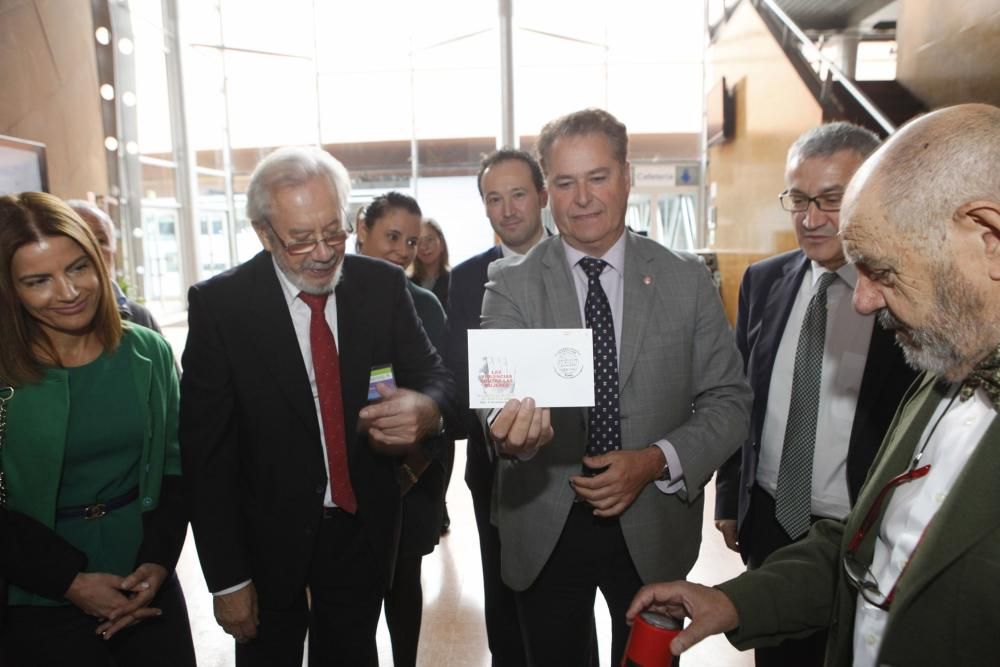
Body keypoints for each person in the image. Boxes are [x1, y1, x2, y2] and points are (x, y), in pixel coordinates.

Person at [627, 103, 1000, 667]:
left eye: (884, 270)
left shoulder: (934, 350)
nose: (865, 299)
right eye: (800, 200)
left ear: (987, 236)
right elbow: (874, 549)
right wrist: (733, 600)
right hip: (778, 530)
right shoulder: (951, 377)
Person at [479, 108, 752, 666]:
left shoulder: (685, 279)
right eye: (564, 183)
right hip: (546, 523)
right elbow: (495, 398)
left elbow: (729, 401)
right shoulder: (511, 284)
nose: (582, 198)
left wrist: (654, 461)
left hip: (654, 521)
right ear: (548, 191)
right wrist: (513, 435)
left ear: (627, 176)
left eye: (597, 177)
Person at [179, 146, 457, 667]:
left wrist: (428, 409)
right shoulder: (223, 307)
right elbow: (206, 458)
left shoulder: (381, 286)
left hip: (360, 527)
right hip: (267, 540)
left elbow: (436, 376)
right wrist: (228, 579)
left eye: (334, 232)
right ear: (264, 234)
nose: (325, 252)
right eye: (301, 239)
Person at [713, 122, 917, 665]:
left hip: (862, 529)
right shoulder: (762, 281)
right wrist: (731, 496)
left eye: (831, 199)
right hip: (771, 521)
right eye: (798, 199)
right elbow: (741, 398)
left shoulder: (905, 296)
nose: (810, 218)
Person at [0, 192, 194, 666]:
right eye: (38, 281)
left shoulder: (147, 351)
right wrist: (69, 582)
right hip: (34, 595)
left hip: (147, 586)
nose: (68, 292)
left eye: (79, 267)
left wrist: (157, 563)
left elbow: (177, 466)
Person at [443, 147, 550, 666]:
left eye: (518, 195)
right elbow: (455, 378)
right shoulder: (464, 280)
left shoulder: (580, 268)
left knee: (564, 609)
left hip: (581, 470)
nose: (507, 209)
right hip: (495, 473)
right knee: (504, 602)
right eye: (494, 198)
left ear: (542, 196)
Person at [355, 191, 450, 667]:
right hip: (347, 474)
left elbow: (443, 388)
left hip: (412, 474)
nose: (402, 250)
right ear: (361, 229)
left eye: (411, 241)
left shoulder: (426, 306)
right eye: (391, 236)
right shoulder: (329, 298)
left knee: (405, 583)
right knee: (351, 597)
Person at [66, 199, 163, 332]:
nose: (93, 251)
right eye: (79, 241)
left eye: (101, 241)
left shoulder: (139, 318)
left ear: (114, 248)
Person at [410, 217, 450, 308]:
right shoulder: (407, 283)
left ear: (442, 244)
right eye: (418, 242)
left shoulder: (455, 281)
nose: (424, 246)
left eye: (429, 239)